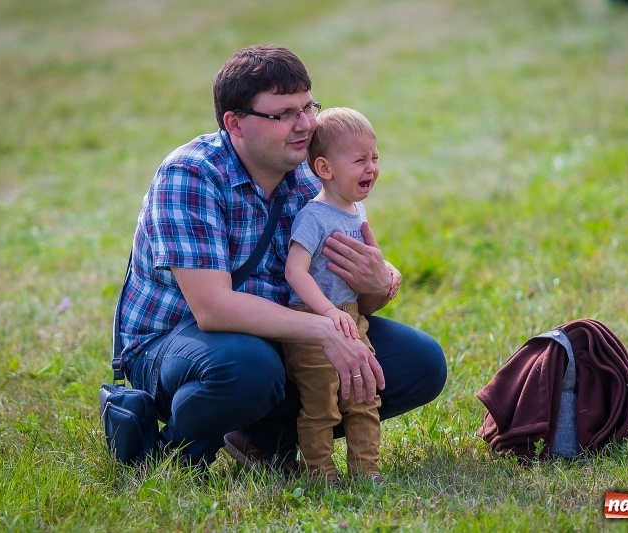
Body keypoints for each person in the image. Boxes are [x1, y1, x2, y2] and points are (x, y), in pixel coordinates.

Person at [117, 44, 447, 469]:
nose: (306, 125)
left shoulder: (312, 175)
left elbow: (339, 293)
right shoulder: (191, 174)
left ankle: (265, 438)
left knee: (420, 363)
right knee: (247, 367)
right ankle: (173, 455)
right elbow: (212, 309)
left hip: (282, 338)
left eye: (308, 107)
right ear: (235, 123)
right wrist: (324, 331)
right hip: (174, 344)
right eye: (283, 114)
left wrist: (375, 287)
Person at [282, 107, 391, 486]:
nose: (371, 168)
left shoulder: (355, 208)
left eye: (374, 158)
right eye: (360, 160)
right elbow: (294, 271)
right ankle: (320, 475)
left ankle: (366, 470)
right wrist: (327, 312)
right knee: (322, 404)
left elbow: (365, 258)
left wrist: (386, 272)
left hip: (351, 318)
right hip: (312, 323)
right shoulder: (313, 216)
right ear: (325, 169)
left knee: (364, 396)